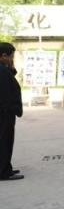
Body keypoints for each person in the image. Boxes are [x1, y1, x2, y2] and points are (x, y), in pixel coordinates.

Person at [0, 43, 24, 181]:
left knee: (5, 140)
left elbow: (12, 74)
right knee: (5, 141)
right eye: (11, 57)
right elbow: (5, 93)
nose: (12, 59)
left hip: (5, 111)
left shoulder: (4, 69)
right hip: (4, 113)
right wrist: (10, 108)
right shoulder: (2, 71)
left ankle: (5, 167)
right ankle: (4, 171)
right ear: (3, 56)